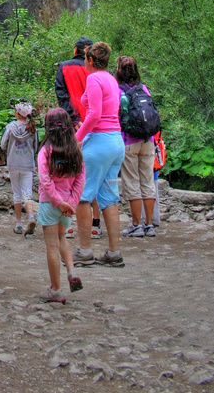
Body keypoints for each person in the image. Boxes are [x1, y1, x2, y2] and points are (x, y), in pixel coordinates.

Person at [73, 41, 126, 268]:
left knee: (83, 197)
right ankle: (114, 253)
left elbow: (94, 115)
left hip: (99, 143)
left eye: (85, 58)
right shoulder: (112, 80)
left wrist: (77, 139)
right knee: (108, 198)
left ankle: (85, 251)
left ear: (91, 60)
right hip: (116, 142)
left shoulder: (94, 78)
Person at [37, 108, 86, 303]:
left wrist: (58, 201)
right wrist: (71, 202)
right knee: (62, 238)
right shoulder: (75, 150)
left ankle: (56, 290)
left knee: (51, 245)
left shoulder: (45, 151)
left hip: (50, 204)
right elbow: (80, 178)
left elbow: (45, 179)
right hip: (67, 207)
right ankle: (71, 271)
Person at [55, 35, 102, 239]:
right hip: (96, 126)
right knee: (94, 175)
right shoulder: (98, 71)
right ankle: (95, 223)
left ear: (75, 51)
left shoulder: (63, 67)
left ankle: (70, 222)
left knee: (70, 174)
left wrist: (73, 120)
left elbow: (62, 97)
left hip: (73, 128)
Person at [115, 56, 157, 238]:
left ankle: (135, 225)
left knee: (132, 183)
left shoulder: (118, 91)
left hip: (129, 142)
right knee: (147, 181)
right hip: (148, 141)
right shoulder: (144, 88)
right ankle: (149, 225)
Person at [0, 100, 39, 235]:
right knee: (27, 192)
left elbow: (3, 144)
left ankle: (18, 224)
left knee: (16, 193)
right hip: (27, 164)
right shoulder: (33, 128)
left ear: (17, 113)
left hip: (13, 163)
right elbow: (35, 147)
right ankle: (31, 216)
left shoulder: (10, 127)